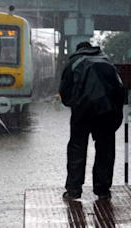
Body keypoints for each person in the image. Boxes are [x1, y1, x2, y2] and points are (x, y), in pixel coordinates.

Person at [59, 42, 124, 200]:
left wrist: (74, 104)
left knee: (77, 148)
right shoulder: (107, 62)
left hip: (82, 110)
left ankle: (74, 190)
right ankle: (103, 190)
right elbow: (120, 89)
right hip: (107, 111)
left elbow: (64, 90)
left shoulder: (74, 63)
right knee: (105, 150)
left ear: (78, 50)